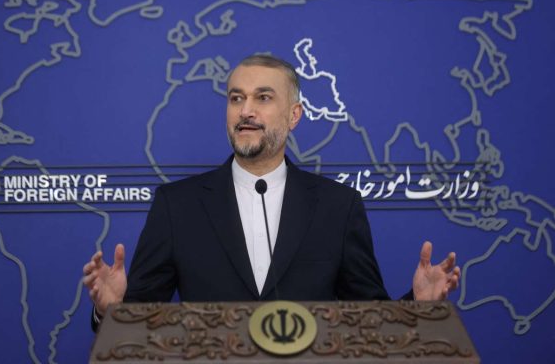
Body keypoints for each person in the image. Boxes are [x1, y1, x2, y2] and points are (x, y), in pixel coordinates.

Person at [83, 54, 460, 330]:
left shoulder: (337, 206)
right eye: (236, 98)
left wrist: (418, 305)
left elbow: (370, 320)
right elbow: (138, 324)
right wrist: (110, 310)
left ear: (294, 116)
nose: (245, 110)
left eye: (263, 98)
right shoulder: (177, 205)